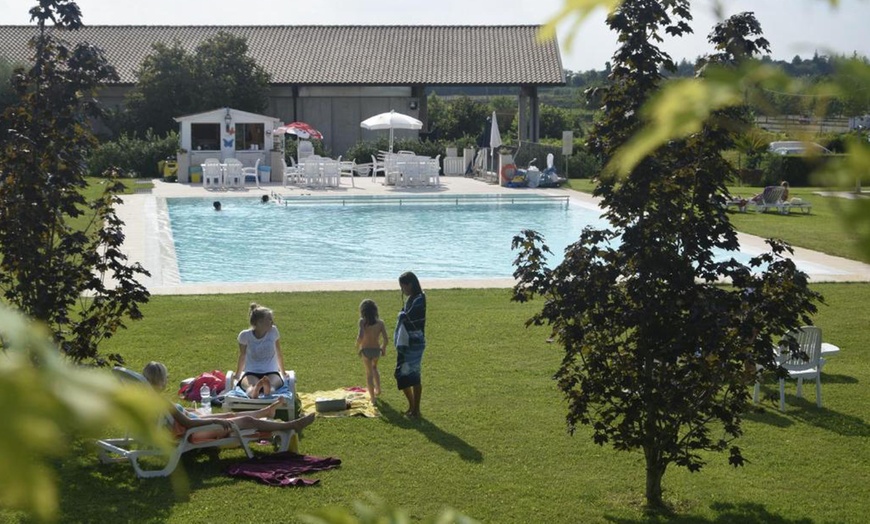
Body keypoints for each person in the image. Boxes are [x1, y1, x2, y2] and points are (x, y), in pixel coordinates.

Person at [141, 361, 315, 439]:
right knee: (245, 421)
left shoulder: (146, 400)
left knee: (231, 414)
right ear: (161, 380)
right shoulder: (160, 402)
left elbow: (180, 416)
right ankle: (291, 425)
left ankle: (265, 411)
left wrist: (196, 412)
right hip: (193, 432)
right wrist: (214, 418)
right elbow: (188, 423)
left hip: (193, 423)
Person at [235, 303, 287, 399]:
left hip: (272, 371)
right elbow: (242, 356)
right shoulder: (245, 336)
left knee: (270, 387)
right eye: (269, 319)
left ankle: (261, 389)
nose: (272, 322)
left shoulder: (273, 332)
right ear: (259, 322)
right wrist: (237, 375)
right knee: (253, 388)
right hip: (251, 372)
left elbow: (279, 353)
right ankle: (259, 390)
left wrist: (283, 372)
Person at [394, 271, 426, 418]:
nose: (402, 290)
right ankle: (413, 407)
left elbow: (410, 318)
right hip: (407, 342)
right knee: (401, 374)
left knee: (414, 375)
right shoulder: (412, 299)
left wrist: (401, 315)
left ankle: (416, 410)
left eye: (403, 287)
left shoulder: (420, 298)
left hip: (415, 343)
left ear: (410, 284)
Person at [356, 299, 389, 403]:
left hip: (366, 351)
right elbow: (386, 339)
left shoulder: (362, 322)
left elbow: (360, 336)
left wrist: (357, 345)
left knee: (369, 374)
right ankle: (378, 389)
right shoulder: (380, 323)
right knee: (374, 368)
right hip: (376, 351)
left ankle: (373, 398)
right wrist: (383, 348)